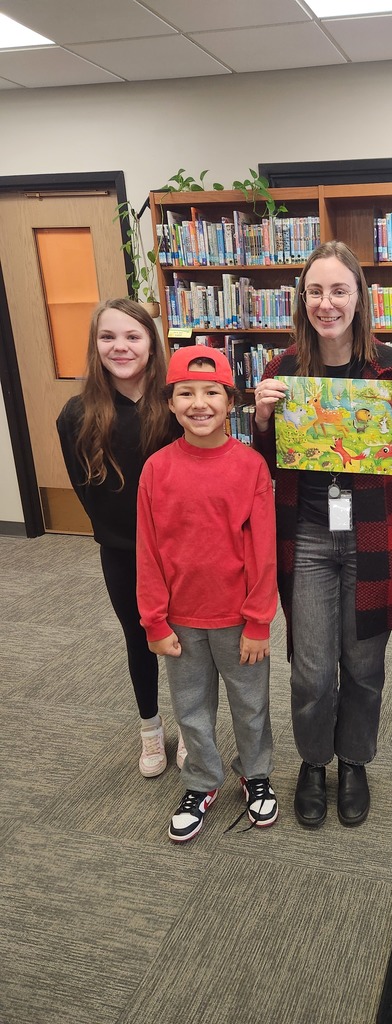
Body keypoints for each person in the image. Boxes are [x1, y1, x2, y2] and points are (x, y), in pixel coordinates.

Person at [253, 240, 392, 829]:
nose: (326, 303)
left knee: (364, 666)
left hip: (372, 535)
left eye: (339, 290)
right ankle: (314, 762)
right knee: (311, 670)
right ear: (302, 299)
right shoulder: (283, 369)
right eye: (315, 291)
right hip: (307, 533)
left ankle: (354, 760)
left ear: (359, 297)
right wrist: (261, 419)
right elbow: (267, 465)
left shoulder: (389, 366)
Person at [136, 346, 278, 843]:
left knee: (250, 704)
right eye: (186, 393)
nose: (199, 403)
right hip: (180, 620)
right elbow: (148, 550)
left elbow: (263, 550)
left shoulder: (250, 466)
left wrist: (259, 620)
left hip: (238, 619)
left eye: (211, 392)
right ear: (170, 403)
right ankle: (200, 781)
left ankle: (255, 774)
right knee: (191, 708)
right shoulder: (156, 469)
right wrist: (154, 620)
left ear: (230, 401)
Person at [57, 298, 182, 778]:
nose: (120, 347)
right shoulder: (76, 415)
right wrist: (119, 535)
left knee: (187, 638)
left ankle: (190, 727)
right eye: (108, 337)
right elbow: (84, 490)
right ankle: (150, 727)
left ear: (151, 344)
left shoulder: (174, 405)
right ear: (95, 346)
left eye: (133, 336)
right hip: (123, 551)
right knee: (140, 636)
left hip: (181, 547)